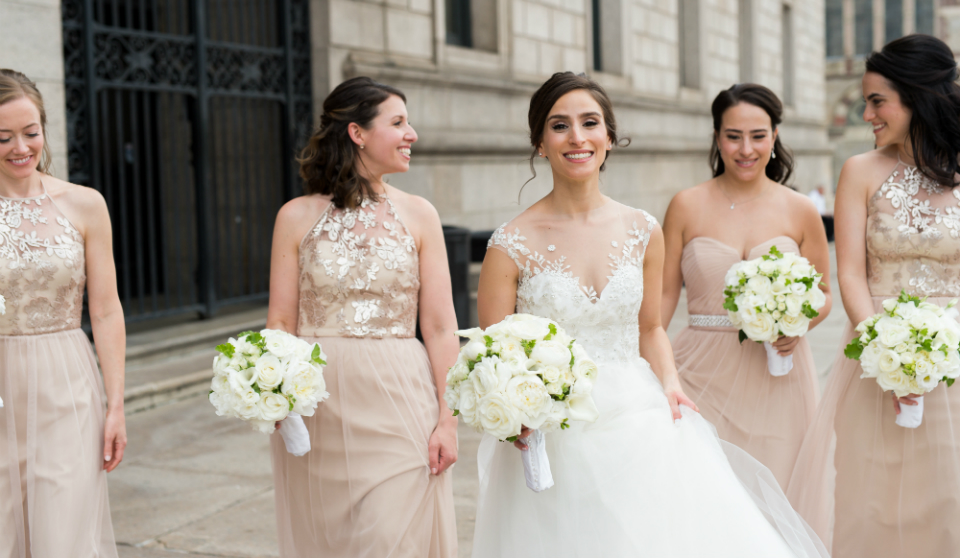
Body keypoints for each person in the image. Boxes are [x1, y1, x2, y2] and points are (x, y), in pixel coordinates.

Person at [471, 72, 828, 557]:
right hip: (553, 429)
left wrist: (671, 385)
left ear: (610, 138)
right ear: (540, 143)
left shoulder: (642, 229)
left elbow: (651, 328)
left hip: (637, 417)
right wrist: (517, 415)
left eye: (590, 123)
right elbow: (494, 356)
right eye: (559, 126)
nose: (577, 137)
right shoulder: (509, 243)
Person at [267, 76, 459, 557]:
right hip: (320, 406)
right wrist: (274, 393)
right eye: (398, 123)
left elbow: (438, 326)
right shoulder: (295, 216)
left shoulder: (420, 215)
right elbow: (281, 323)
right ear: (357, 133)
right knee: (332, 542)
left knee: (391, 537)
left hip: (400, 396)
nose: (411, 133)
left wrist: (448, 420)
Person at [788, 34, 960, 557]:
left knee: (947, 495)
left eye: (877, 100)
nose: (867, 113)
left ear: (916, 96)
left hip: (955, 354)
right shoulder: (858, 171)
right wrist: (884, 351)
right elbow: (851, 276)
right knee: (873, 495)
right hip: (872, 353)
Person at [661, 83, 832, 489]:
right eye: (733, 136)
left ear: (774, 136)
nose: (745, 149)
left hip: (777, 374)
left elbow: (824, 294)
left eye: (758, 136)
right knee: (704, 491)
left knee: (777, 487)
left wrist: (798, 325)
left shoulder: (801, 209)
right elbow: (665, 294)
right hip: (698, 372)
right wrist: (649, 364)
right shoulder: (686, 204)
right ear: (717, 137)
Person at [0, 69, 125, 557]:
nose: (20, 148)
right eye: (3, 137)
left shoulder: (85, 204)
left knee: (64, 534)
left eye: (30, 133)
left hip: (67, 385)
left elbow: (108, 310)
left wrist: (115, 404)